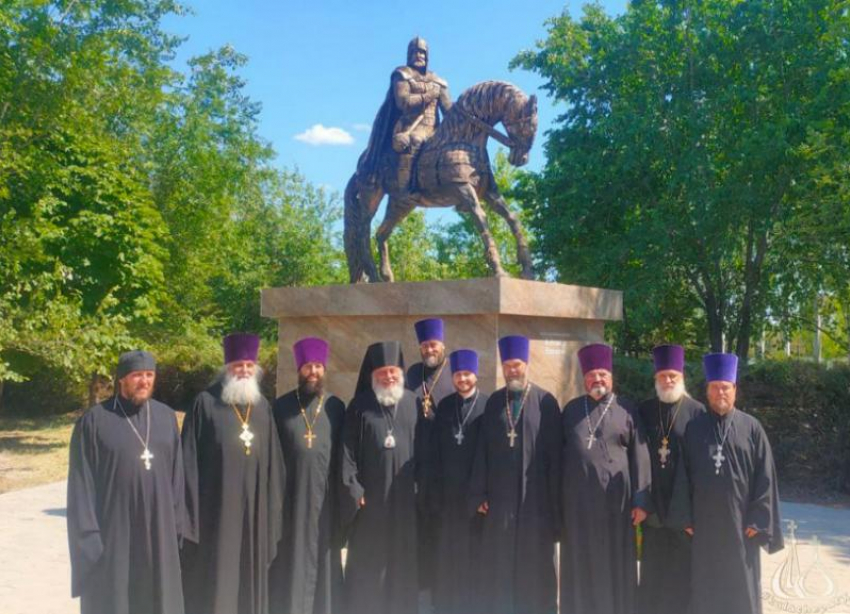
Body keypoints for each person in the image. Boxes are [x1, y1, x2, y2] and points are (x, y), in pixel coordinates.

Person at [67, 350, 185, 614]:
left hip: (159, 534)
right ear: (121, 379)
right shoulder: (93, 422)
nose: (144, 381)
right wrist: (90, 539)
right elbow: (81, 488)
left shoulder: (166, 417)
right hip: (113, 536)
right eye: (137, 375)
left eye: (149, 375)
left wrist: (176, 526)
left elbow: (178, 478)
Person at [669, 353, 783, 614]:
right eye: (715, 387)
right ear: (707, 391)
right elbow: (683, 475)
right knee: (705, 589)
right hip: (705, 529)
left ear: (734, 390)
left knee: (741, 590)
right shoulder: (694, 428)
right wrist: (685, 517)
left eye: (725, 387)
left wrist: (758, 518)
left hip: (741, 528)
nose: (720, 392)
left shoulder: (752, 428)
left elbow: (766, 477)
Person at [181, 333, 285, 614]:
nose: (244, 370)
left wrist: (272, 513)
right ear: (227, 368)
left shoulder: (263, 407)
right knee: (219, 577)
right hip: (216, 513)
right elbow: (187, 462)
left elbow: (275, 465)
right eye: (238, 365)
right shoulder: (204, 403)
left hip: (255, 514)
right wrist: (191, 517)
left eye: (249, 365)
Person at [469, 335, 561, 614]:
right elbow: (482, 450)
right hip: (500, 500)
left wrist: (554, 503)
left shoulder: (546, 401)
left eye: (516, 364)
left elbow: (556, 456)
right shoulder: (495, 402)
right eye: (507, 365)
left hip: (536, 502)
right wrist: (480, 492)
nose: (512, 370)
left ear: (526, 364)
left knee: (535, 562)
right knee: (500, 559)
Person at [560, 343, 651, 614]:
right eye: (591, 375)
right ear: (584, 378)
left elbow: (641, 454)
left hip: (617, 506)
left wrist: (641, 500)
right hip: (578, 506)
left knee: (614, 561)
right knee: (580, 559)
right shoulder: (572, 410)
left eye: (602, 374)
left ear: (611, 377)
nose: (597, 379)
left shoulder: (627, 409)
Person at [340, 341, 422, 614]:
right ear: (373, 375)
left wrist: (420, 486)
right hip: (370, 503)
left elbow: (426, 451)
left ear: (401, 372)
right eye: (383, 372)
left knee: (402, 561)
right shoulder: (359, 406)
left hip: (404, 502)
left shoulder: (413, 404)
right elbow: (347, 452)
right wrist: (354, 489)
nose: (389, 377)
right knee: (369, 564)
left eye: (393, 371)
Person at [270, 337, 345, 614]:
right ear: (298, 369)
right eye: (307, 366)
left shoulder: (336, 407)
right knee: (291, 558)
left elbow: (343, 458)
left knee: (324, 559)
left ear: (324, 369)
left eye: (317, 366)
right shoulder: (280, 407)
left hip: (325, 502)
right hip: (291, 501)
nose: (313, 372)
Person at [636, 344, 705, 614]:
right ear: (656, 379)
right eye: (663, 376)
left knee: (681, 579)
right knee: (653, 575)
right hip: (653, 511)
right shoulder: (643, 410)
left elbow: (700, 469)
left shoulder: (697, 412)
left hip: (682, 515)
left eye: (673, 376)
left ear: (682, 377)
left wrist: (692, 514)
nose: (668, 381)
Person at [431, 349, 488, 614]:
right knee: (447, 554)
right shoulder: (443, 406)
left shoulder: (489, 405)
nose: (462, 379)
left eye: (467, 374)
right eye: (457, 374)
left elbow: (491, 454)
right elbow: (437, 453)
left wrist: (484, 493)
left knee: (474, 556)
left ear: (475, 375)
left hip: (475, 498)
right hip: (448, 496)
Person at [358, 36, 452, 193]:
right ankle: (404, 190)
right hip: (409, 126)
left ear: (427, 56)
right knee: (415, 140)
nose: (418, 56)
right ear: (409, 54)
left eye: (422, 52)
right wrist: (428, 96)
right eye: (415, 52)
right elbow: (403, 102)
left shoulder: (437, 81)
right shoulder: (402, 75)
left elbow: (448, 109)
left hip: (434, 129)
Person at [405, 317, 454, 604]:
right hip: (417, 465)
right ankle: (422, 594)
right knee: (420, 533)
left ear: (442, 344)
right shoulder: (412, 373)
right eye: (424, 345)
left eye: (433, 344)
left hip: (446, 467)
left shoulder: (453, 373)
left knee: (443, 534)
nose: (428, 349)